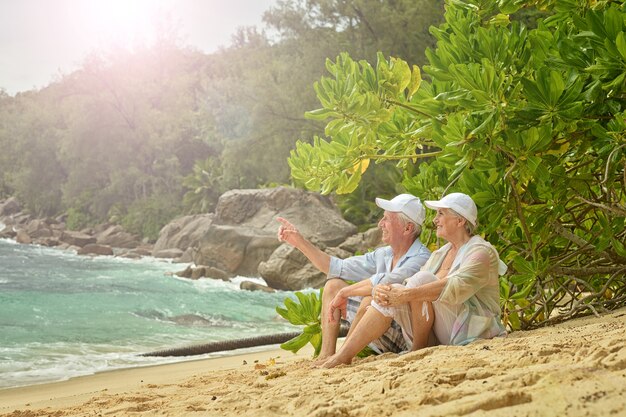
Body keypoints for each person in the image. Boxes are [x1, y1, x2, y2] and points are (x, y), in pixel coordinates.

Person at [320, 192, 507, 368]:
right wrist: (385, 290)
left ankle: (417, 348)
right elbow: (407, 284)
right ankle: (344, 356)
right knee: (391, 290)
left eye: (441, 214)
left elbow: (455, 286)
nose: (435, 220)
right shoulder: (440, 254)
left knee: (420, 280)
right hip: (440, 334)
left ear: (460, 220)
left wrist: (405, 293)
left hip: (472, 332)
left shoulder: (482, 252)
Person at [277, 193, 431, 362]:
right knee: (333, 285)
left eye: (386, 219)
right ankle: (327, 355)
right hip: (381, 327)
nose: (380, 224)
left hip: (406, 336)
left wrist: (345, 293)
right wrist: (298, 241)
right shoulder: (384, 255)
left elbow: (386, 282)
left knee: (368, 299)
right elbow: (335, 267)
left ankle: (341, 356)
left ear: (407, 228)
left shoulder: (421, 257)